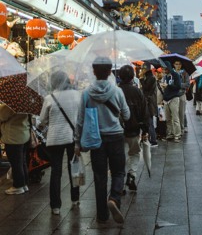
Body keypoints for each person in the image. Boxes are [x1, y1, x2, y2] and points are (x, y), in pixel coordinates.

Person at [75, 57, 130, 224]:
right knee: (119, 171)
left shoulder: (86, 93)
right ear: (109, 72)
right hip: (115, 136)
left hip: (96, 139)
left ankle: (102, 215)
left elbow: (80, 120)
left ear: (94, 72)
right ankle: (114, 198)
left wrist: (77, 142)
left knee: (99, 176)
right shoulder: (117, 91)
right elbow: (127, 115)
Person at [39, 71, 81, 215]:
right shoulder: (77, 95)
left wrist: (42, 125)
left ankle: (55, 206)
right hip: (72, 137)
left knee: (56, 172)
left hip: (55, 138)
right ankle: (75, 198)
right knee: (74, 167)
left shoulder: (49, 98)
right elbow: (81, 115)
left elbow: (42, 120)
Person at [118, 65, 149, 191]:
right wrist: (145, 130)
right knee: (134, 153)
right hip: (134, 128)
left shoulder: (116, 91)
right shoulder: (137, 91)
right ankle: (132, 175)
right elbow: (144, 111)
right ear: (132, 77)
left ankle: (119, 182)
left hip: (118, 129)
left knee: (121, 155)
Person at [0, 104, 30, 195]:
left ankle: (18, 186)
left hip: (13, 136)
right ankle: (24, 184)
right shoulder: (25, 103)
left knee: (16, 163)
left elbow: (2, 116)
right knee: (22, 162)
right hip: (23, 134)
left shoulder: (11, 104)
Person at [161, 61, 181, 143]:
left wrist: (168, 86)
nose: (164, 71)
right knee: (168, 119)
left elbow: (178, 86)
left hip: (174, 98)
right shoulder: (165, 77)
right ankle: (170, 134)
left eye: (166, 69)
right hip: (166, 99)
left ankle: (177, 135)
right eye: (164, 69)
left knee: (175, 118)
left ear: (169, 68)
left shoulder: (176, 75)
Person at [139, 62, 158, 147]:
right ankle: (150, 139)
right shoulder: (149, 77)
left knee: (149, 122)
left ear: (146, 69)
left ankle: (153, 141)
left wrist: (141, 79)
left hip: (149, 103)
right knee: (148, 121)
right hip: (148, 102)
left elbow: (146, 88)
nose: (141, 70)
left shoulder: (151, 78)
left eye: (142, 69)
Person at [172, 60, 190, 135]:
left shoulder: (185, 73)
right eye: (176, 64)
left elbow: (187, 84)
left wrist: (179, 84)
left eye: (179, 64)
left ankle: (182, 129)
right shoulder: (172, 73)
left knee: (181, 113)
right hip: (173, 95)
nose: (178, 65)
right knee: (174, 113)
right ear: (174, 64)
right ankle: (175, 129)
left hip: (182, 94)